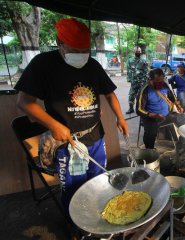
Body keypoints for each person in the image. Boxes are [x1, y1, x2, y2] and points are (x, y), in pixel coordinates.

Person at [14, 18, 129, 216]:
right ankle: (75, 223)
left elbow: (109, 93)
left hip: (95, 137)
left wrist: (120, 117)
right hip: (68, 143)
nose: (81, 56)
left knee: (99, 181)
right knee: (74, 188)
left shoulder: (92, 65)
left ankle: (100, 215)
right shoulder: (43, 64)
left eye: (85, 51)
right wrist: (53, 125)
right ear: (59, 44)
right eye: (75, 51)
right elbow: (24, 102)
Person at [137, 68, 185, 149]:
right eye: (158, 81)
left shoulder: (164, 85)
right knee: (151, 132)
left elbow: (172, 97)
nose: (160, 83)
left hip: (166, 115)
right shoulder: (145, 90)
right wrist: (153, 115)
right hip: (151, 118)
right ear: (150, 79)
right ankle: (150, 150)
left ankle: (181, 144)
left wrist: (178, 106)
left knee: (184, 119)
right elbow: (139, 110)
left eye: (162, 80)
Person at [126, 47, 149, 114]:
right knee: (131, 95)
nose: (138, 52)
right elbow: (128, 71)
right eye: (136, 51)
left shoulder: (144, 61)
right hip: (134, 82)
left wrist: (145, 80)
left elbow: (146, 71)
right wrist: (129, 79)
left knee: (140, 96)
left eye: (139, 51)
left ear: (141, 52)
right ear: (134, 52)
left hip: (142, 82)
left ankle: (140, 109)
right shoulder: (130, 61)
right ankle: (131, 108)